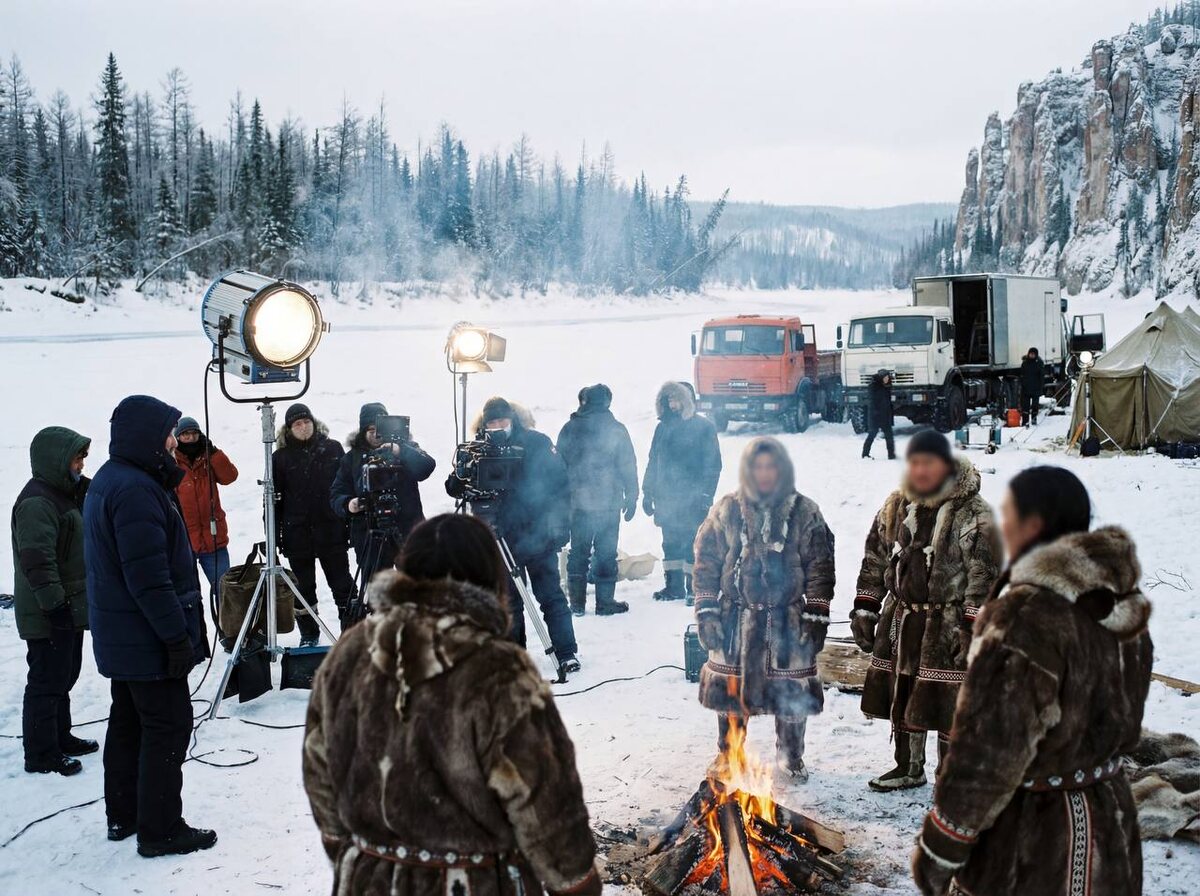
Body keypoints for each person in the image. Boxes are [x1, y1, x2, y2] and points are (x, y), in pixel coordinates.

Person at [302, 514, 600, 896]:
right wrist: (576, 883)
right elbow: (543, 798)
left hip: (370, 881)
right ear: (489, 578)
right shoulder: (498, 669)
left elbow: (319, 769)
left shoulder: (350, 650)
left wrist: (360, 854)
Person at [912, 467, 1153, 896]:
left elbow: (986, 754)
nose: (1001, 528)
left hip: (1034, 845)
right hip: (1110, 830)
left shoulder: (1026, 618)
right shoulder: (1120, 608)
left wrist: (940, 849)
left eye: (1008, 516)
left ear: (1033, 524)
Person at [84, 395, 215, 857]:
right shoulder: (135, 490)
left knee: (128, 724)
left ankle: (125, 815)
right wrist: (175, 636)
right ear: (145, 435)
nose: (170, 442)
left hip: (126, 638)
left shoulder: (113, 478)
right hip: (146, 640)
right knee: (168, 728)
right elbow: (148, 578)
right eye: (165, 432)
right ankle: (160, 829)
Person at [850, 429, 1000, 792]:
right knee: (902, 691)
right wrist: (866, 609)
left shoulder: (975, 513)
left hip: (948, 622)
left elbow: (987, 574)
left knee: (950, 703)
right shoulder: (896, 506)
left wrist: (970, 628)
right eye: (915, 462)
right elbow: (875, 559)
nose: (922, 470)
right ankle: (908, 766)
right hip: (901, 618)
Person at [693, 437, 835, 781]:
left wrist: (815, 615)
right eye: (757, 467)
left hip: (786, 620)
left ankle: (791, 756)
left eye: (771, 466)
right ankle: (730, 754)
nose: (765, 473)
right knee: (730, 690)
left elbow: (821, 566)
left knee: (790, 694)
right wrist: (707, 611)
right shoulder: (726, 509)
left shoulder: (805, 511)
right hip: (734, 618)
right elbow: (706, 563)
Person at [446, 397, 580, 673]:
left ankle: (566, 653)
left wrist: (559, 526)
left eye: (502, 421)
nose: (497, 427)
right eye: (492, 422)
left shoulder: (536, 443)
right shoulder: (476, 449)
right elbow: (452, 487)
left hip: (537, 534)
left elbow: (561, 485)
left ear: (513, 419)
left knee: (551, 596)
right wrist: (463, 472)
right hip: (497, 538)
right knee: (508, 602)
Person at [12, 426, 96, 776]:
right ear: (56, 460)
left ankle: (61, 736)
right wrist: (55, 606)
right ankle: (41, 753)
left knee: (64, 675)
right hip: (48, 611)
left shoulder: (62, 492)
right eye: (77, 458)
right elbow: (38, 562)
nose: (80, 465)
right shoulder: (37, 503)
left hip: (66, 606)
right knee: (47, 680)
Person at [273, 403, 356, 644]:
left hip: (332, 530)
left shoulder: (332, 448)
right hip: (296, 534)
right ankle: (309, 634)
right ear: (289, 429)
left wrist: (349, 524)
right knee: (303, 590)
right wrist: (275, 536)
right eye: (297, 424)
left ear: (314, 422)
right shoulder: (280, 458)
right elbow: (274, 500)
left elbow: (345, 488)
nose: (303, 427)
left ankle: (351, 631)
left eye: (306, 421)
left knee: (342, 584)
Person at [331, 402, 435, 591]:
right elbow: (336, 494)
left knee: (417, 587)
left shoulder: (405, 449)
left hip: (407, 528)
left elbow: (427, 467)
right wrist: (349, 504)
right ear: (362, 431)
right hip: (370, 533)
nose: (375, 434)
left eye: (379, 429)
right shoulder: (351, 459)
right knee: (378, 594)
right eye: (370, 429)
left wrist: (400, 450)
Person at [556, 383, 639, 617]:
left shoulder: (569, 428)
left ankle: (577, 604)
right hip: (609, 502)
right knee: (606, 552)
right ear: (607, 402)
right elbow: (628, 465)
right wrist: (632, 496)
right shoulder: (617, 429)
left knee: (578, 552)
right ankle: (604, 604)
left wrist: (561, 501)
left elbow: (558, 467)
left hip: (578, 503)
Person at [643, 382, 722, 604]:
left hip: (693, 497)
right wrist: (647, 493)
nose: (672, 404)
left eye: (676, 399)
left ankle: (693, 588)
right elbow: (652, 461)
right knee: (669, 543)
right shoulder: (662, 427)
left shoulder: (703, 427)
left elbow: (713, 465)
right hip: (666, 497)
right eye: (668, 400)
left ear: (687, 401)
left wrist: (706, 496)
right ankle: (673, 586)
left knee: (690, 542)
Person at [172, 416, 238, 602]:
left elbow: (230, 477)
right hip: (184, 543)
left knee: (226, 594)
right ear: (178, 437)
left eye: (194, 433)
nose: (191, 438)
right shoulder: (172, 462)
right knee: (187, 596)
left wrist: (215, 453)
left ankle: (228, 631)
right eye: (185, 434)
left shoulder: (209, 457)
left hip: (214, 540)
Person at [861, 369, 896, 460]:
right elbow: (873, 402)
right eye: (885, 377)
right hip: (875, 416)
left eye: (888, 377)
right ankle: (865, 454)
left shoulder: (887, 387)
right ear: (881, 378)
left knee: (889, 435)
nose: (887, 379)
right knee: (872, 434)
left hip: (885, 415)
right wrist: (876, 412)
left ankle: (891, 455)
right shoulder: (874, 387)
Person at [1019, 346, 1045, 426]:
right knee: (1025, 406)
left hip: (1035, 389)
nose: (1032, 355)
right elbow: (1021, 375)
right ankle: (1025, 421)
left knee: (1035, 406)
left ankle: (1034, 419)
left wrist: (1041, 388)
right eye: (1031, 354)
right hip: (1026, 389)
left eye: (1033, 354)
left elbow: (1041, 376)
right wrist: (1022, 385)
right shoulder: (1025, 363)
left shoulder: (1039, 363)